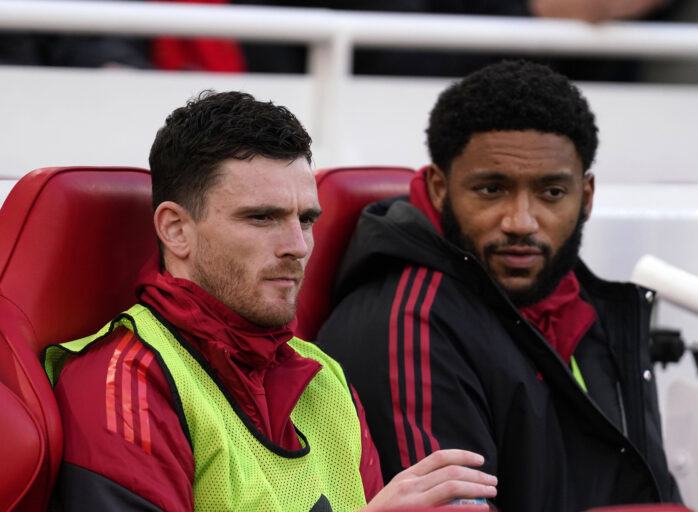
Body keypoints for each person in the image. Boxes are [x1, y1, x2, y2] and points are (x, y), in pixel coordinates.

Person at [43, 90, 497, 510]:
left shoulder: (324, 375)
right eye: (262, 217)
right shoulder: (123, 383)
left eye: (306, 218)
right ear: (175, 230)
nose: (297, 245)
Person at [316, 59, 682, 511]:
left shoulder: (584, 304)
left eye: (551, 193)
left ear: (585, 197)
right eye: (491, 189)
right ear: (437, 188)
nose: (520, 222)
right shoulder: (409, 325)